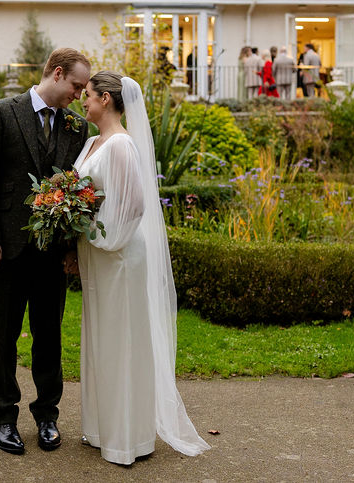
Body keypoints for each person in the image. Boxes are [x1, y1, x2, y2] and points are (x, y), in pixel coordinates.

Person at [70, 72, 210, 466]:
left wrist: (99, 239)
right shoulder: (91, 142)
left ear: (108, 100)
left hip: (119, 255)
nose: (84, 101)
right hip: (98, 254)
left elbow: (131, 206)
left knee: (123, 340)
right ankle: (101, 428)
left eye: (90, 96)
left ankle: (128, 439)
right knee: (101, 339)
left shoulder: (122, 146)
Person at [0, 48, 91, 456]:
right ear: (57, 74)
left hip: (52, 254)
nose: (79, 94)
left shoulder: (77, 128)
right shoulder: (3, 112)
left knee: (49, 336)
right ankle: (4, 418)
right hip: (5, 249)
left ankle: (47, 416)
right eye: (76, 85)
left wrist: (73, 249)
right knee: (2, 337)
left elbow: (79, 191)